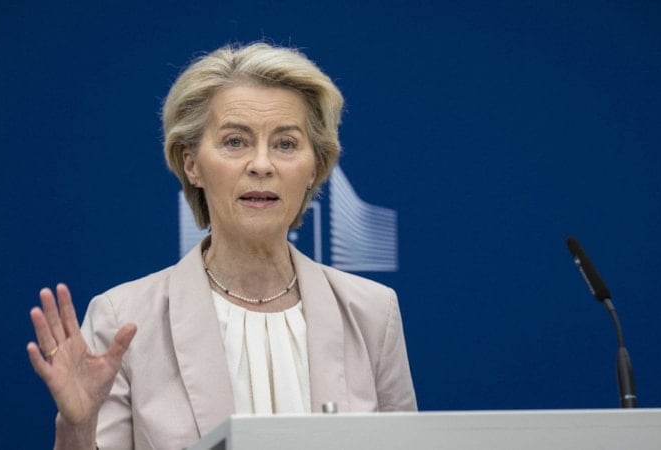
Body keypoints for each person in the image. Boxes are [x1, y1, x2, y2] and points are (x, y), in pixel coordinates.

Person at [27, 42, 417, 450]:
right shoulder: (124, 320)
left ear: (314, 168)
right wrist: (78, 428)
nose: (262, 165)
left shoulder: (372, 313)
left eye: (285, 144)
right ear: (191, 164)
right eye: (235, 142)